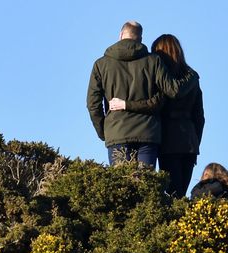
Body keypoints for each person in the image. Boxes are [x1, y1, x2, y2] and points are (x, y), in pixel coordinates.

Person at [87, 21, 197, 167]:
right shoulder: (154, 61)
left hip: (117, 132)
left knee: (122, 185)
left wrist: (104, 130)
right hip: (148, 133)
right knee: (146, 184)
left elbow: (93, 104)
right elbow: (169, 92)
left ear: (121, 35)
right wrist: (192, 75)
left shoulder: (101, 64)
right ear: (140, 39)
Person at [110, 34, 205, 198]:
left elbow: (154, 104)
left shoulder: (161, 78)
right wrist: (196, 142)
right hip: (189, 142)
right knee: (181, 193)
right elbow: (200, 117)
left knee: (169, 193)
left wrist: (126, 104)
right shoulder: (192, 77)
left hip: (167, 139)